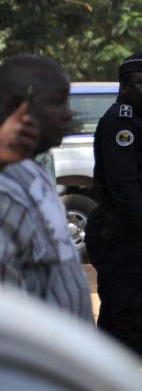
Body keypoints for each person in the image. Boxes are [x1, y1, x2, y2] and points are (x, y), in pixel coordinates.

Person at [86, 52, 142, 360]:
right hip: (123, 236)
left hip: (129, 237)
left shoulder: (137, 121)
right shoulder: (121, 123)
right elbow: (123, 182)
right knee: (130, 322)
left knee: (126, 320)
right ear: (124, 86)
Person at [0, 55, 93, 321]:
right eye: (55, 102)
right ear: (16, 108)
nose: (68, 113)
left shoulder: (34, 171)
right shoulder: (6, 191)